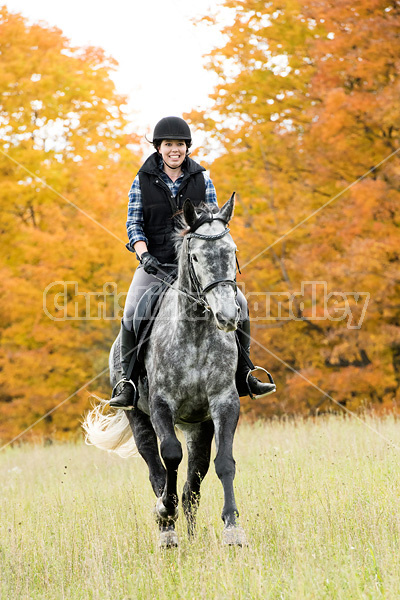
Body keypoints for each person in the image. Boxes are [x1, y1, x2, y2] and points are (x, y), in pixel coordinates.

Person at [110, 116, 276, 409]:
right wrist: (143, 254)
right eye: (169, 144)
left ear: (187, 147)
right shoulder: (141, 181)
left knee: (240, 301)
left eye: (180, 145)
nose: (175, 149)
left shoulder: (203, 179)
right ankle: (129, 382)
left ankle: (246, 372)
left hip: (199, 267)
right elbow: (134, 225)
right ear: (159, 148)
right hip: (157, 264)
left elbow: (213, 222)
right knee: (132, 311)